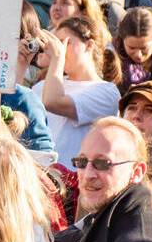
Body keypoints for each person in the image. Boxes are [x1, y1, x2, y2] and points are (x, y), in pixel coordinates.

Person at [35, 18, 120, 159]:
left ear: (89, 45)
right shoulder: (43, 86)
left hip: (75, 176)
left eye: (65, 43)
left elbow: (52, 102)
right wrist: (22, 64)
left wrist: (57, 58)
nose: (59, 49)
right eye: (56, 44)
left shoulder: (107, 92)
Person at [114, 6, 152, 85]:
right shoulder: (112, 60)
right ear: (122, 40)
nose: (138, 54)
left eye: (144, 48)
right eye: (131, 48)